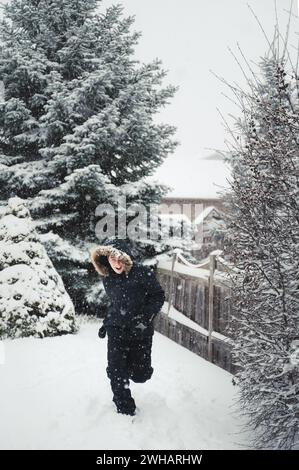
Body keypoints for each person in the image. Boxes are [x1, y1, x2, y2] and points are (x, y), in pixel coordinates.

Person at [90, 237, 165, 416]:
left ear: (125, 257)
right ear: (106, 259)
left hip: (140, 332)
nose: (116, 263)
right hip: (116, 329)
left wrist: (145, 318)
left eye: (119, 258)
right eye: (111, 258)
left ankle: (128, 370)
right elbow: (115, 303)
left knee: (141, 375)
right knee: (116, 370)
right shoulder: (107, 277)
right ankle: (125, 408)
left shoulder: (142, 273)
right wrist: (106, 323)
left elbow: (158, 296)